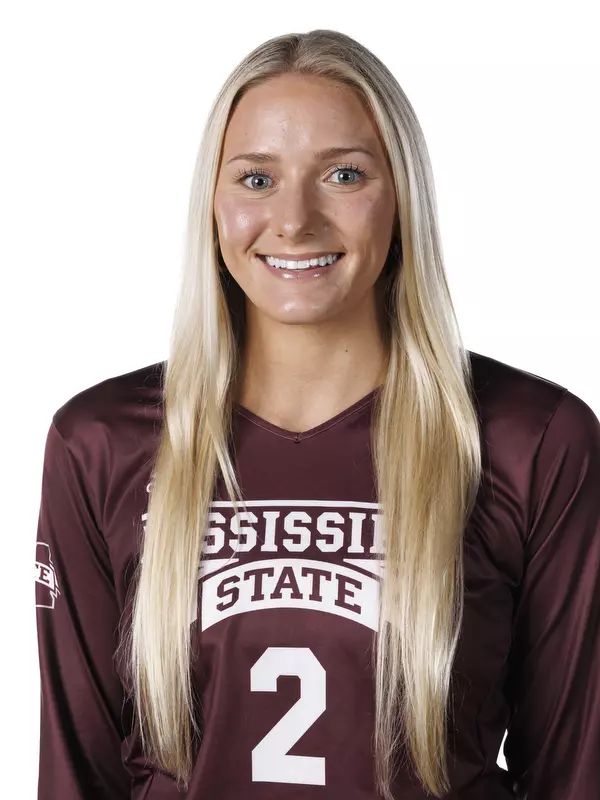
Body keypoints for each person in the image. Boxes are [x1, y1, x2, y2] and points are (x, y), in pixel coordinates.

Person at [34, 28, 600, 800]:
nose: (295, 220)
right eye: (256, 179)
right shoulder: (100, 442)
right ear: (213, 204)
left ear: (401, 198)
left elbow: (575, 772)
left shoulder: (528, 440)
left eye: (342, 174)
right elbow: (77, 772)